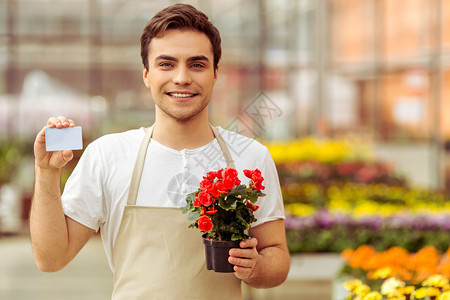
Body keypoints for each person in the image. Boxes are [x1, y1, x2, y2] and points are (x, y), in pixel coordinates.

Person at [30, 3, 290, 299]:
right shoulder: (108, 155)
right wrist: (47, 173)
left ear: (215, 73)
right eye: (166, 64)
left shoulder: (251, 156)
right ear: (146, 74)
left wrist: (257, 267)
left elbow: (277, 258)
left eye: (197, 64)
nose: (181, 78)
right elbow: (51, 259)